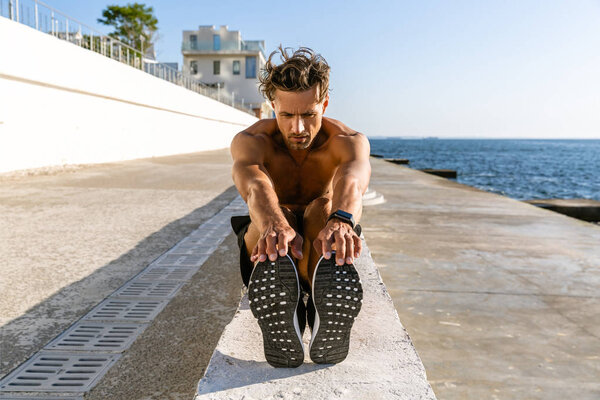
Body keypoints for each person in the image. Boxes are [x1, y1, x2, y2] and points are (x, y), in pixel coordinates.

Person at [230, 46, 371, 368]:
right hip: (271, 243)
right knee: (271, 221)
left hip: (319, 238)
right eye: (287, 115)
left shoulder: (347, 140)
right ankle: (293, 303)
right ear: (272, 106)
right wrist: (274, 224)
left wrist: (343, 220)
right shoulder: (251, 140)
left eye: (309, 115)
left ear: (324, 104)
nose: (298, 128)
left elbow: (352, 181)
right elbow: (255, 185)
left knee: (322, 208)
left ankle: (312, 305)